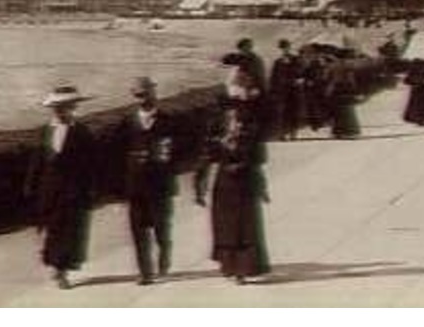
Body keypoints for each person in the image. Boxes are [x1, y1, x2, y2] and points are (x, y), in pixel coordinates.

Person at [23, 85, 98, 289]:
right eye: (56, 107)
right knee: (52, 229)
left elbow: (91, 165)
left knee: (69, 231)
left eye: (64, 107)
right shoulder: (45, 132)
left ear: (73, 107)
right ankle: (55, 264)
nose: (60, 111)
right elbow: (37, 162)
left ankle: (61, 270)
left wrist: (90, 190)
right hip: (48, 190)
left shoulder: (82, 132)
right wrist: (30, 187)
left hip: (73, 191)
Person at [195, 98, 270, 283]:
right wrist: (200, 186)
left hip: (245, 184)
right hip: (225, 186)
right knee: (226, 227)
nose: (235, 121)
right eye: (231, 118)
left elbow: (259, 160)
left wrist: (261, 187)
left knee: (245, 227)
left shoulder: (251, 134)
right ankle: (230, 267)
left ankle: (244, 269)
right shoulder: (217, 138)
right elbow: (205, 161)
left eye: (238, 117)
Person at [114, 77, 179, 285]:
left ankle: (164, 260)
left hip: (161, 185)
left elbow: (179, 150)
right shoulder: (127, 122)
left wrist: (169, 165)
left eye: (146, 94)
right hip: (135, 186)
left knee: (162, 229)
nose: (143, 99)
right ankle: (145, 272)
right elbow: (117, 152)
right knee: (138, 230)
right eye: (139, 95)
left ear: (154, 94)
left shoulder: (168, 120)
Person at [268, 39, 305, 141]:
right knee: (282, 113)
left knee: (294, 111)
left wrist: (289, 67)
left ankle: (293, 134)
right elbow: (273, 77)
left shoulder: (295, 59)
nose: (284, 50)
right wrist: (272, 90)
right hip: (282, 91)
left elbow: (300, 73)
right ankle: (282, 134)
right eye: (282, 48)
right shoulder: (277, 62)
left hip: (294, 90)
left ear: (289, 48)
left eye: (286, 48)